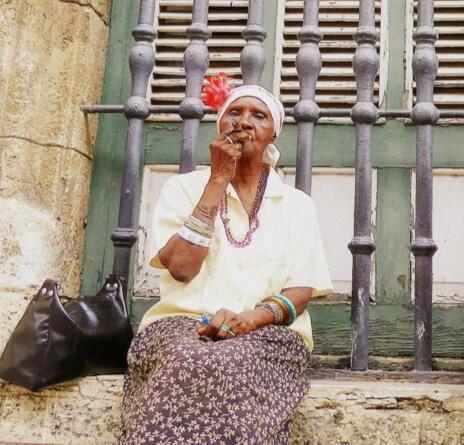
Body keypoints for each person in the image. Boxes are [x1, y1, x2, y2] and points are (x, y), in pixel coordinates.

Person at [119, 78, 332, 445]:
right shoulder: (182, 189)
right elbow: (182, 267)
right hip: (180, 327)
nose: (244, 121)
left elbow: (299, 291)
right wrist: (218, 179)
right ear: (220, 126)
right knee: (188, 360)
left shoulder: (296, 205)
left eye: (259, 116)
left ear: (272, 135)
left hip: (266, 334)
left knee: (230, 364)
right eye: (235, 112)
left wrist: (247, 320)